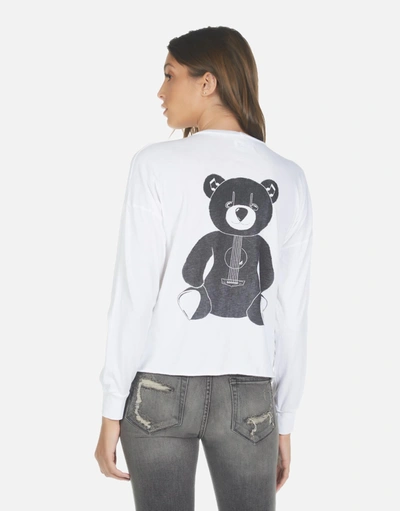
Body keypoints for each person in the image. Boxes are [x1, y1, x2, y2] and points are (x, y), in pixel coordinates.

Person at [94, 26, 313, 511]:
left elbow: (135, 293)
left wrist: (112, 406)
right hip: (251, 393)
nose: (160, 91)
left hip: (158, 389)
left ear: (207, 82)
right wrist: (285, 417)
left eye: (170, 75)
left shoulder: (154, 164)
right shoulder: (290, 176)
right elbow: (290, 311)